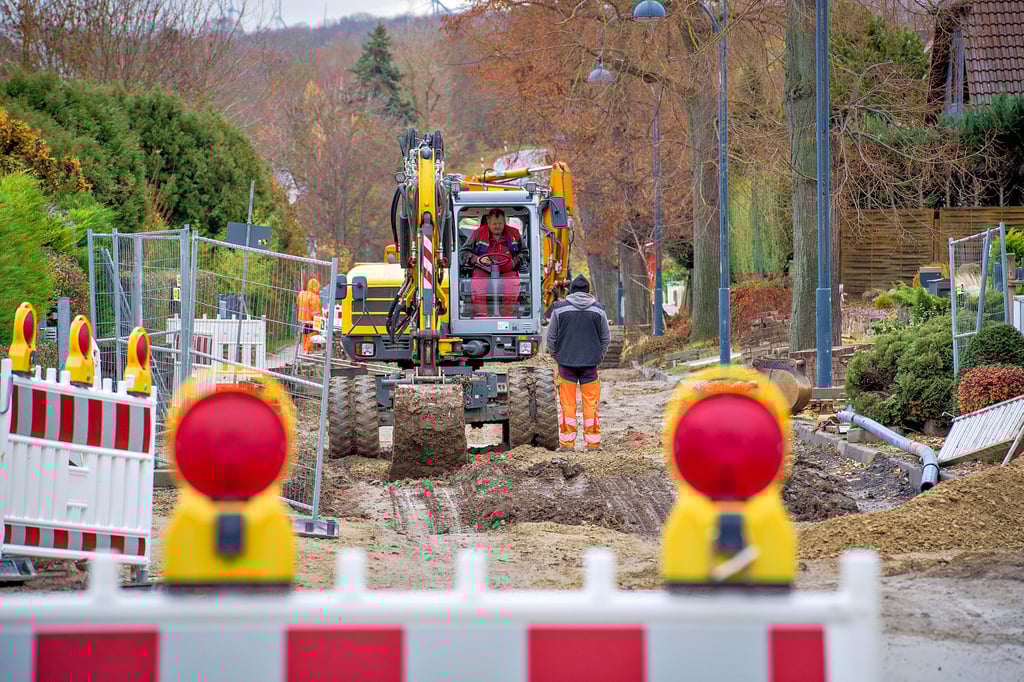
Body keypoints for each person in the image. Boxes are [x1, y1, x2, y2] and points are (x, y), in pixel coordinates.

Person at [545, 274, 610, 451]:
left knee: (568, 405)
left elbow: (551, 337)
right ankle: (593, 444)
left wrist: (556, 355)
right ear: (588, 291)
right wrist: (599, 356)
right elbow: (605, 337)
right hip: (590, 366)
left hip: (566, 365)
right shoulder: (599, 310)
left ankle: (567, 444)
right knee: (591, 404)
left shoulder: (559, 309)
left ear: (571, 290)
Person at [464, 208, 525, 317]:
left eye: (500, 223)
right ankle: (481, 318)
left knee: (512, 284)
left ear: (505, 222)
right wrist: (477, 259)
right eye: (494, 224)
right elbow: (463, 253)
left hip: (508, 269)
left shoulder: (514, 234)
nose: (497, 226)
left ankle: (508, 319)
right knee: (478, 286)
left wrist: (515, 261)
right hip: (483, 269)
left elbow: (525, 253)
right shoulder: (477, 234)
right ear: (488, 222)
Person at [296, 277, 321, 352]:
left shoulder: (301, 294)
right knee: (311, 339)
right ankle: (308, 353)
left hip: (302, 321)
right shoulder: (314, 298)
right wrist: (319, 326)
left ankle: (305, 353)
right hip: (311, 322)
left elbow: (298, 304)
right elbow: (316, 313)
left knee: (305, 337)